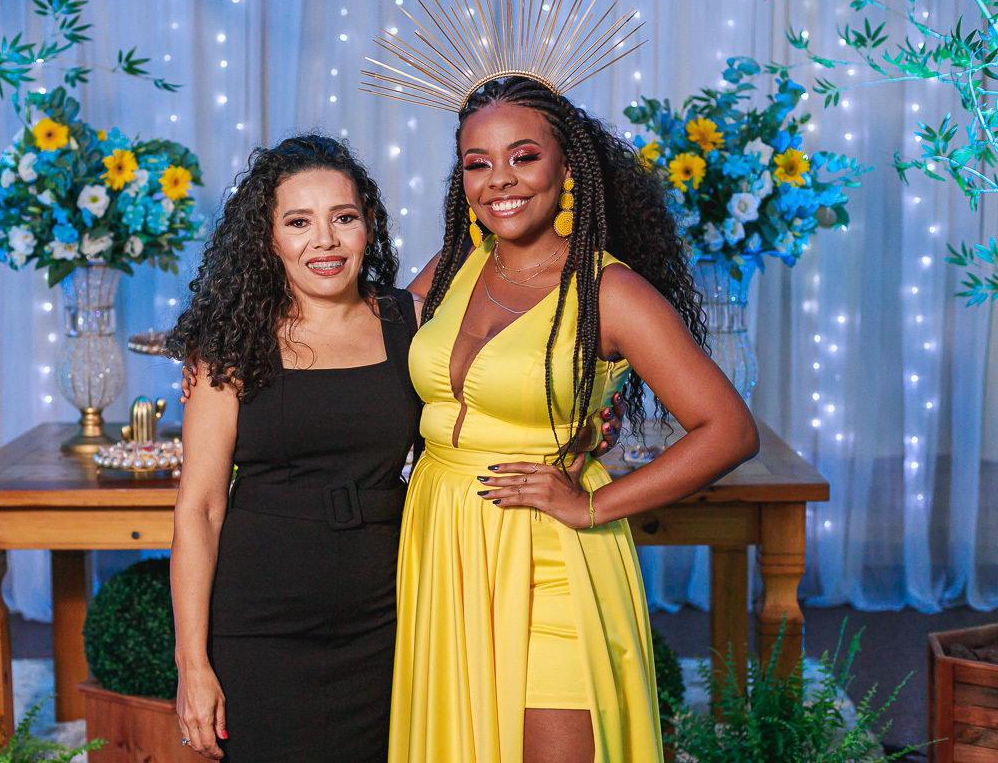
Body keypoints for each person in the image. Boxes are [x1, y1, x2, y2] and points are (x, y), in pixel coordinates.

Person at [167, 134, 626, 762]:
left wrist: (589, 421)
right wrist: (192, 665)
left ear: (369, 226)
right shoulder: (228, 344)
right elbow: (199, 510)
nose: (324, 241)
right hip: (259, 619)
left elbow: (497, 386)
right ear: (266, 238)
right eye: (298, 222)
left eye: (343, 218)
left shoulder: (414, 320)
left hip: (391, 610)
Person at [383, 73, 761, 762]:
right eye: (477, 163)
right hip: (443, 545)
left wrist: (594, 506)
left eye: (524, 156)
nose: (500, 180)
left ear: (568, 170)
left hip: (549, 556)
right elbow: (367, 361)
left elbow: (729, 431)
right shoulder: (456, 264)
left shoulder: (610, 291)